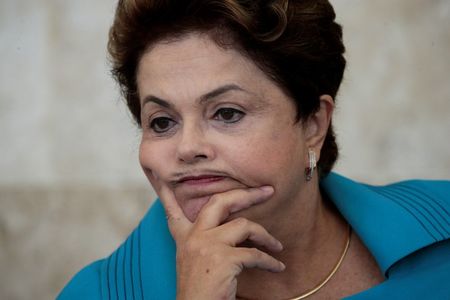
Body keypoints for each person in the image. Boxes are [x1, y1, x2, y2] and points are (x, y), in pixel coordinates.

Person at [58, 0, 450, 299]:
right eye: (162, 121)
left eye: (226, 113)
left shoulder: (443, 227)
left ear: (314, 122)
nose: (188, 147)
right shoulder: (96, 293)